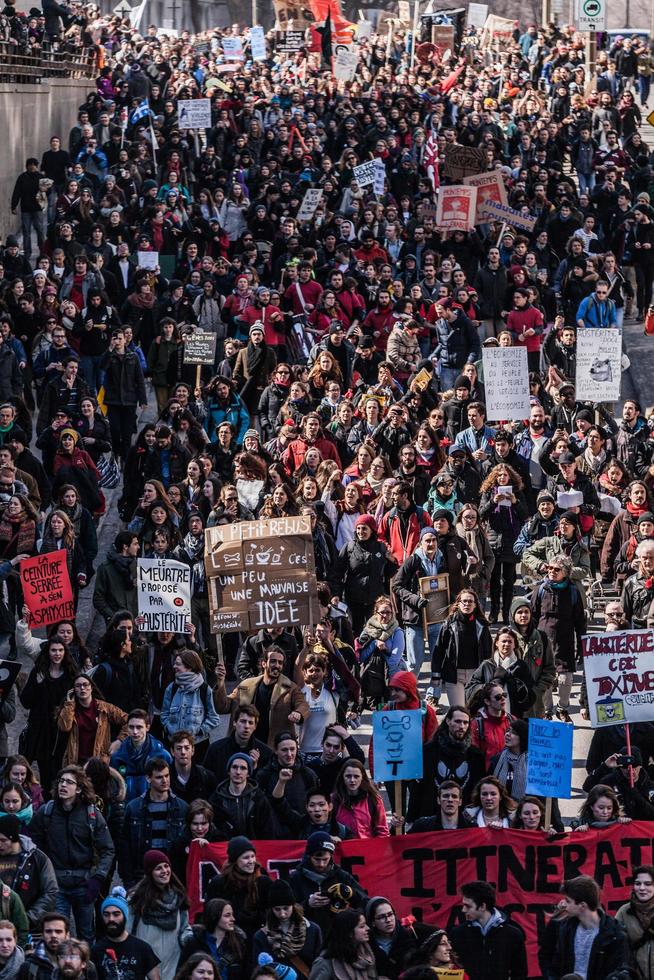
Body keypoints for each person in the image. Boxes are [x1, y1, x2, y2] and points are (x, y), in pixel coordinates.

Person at [28, 766, 115, 943]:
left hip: (84, 882)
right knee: (58, 934)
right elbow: (33, 847)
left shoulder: (91, 814)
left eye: (69, 782)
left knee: (86, 936)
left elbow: (108, 849)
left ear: (79, 788)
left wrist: (98, 878)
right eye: (61, 781)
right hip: (56, 883)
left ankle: (85, 969)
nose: (63, 785)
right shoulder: (46, 812)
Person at [213, 647, 310, 749]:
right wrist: (220, 682)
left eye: (280, 663)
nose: (277, 665)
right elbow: (222, 707)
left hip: (273, 749)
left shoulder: (291, 688)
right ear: (264, 663)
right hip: (245, 746)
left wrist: (298, 713)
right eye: (273, 661)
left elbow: (303, 705)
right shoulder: (246, 685)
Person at [118, 758, 188, 889]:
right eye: (159, 777)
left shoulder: (182, 808)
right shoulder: (134, 808)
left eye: (167, 776)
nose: (165, 781)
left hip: (173, 875)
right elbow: (124, 847)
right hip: (142, 875)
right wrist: (128, 881)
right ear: (148, 779)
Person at [542, 876, 628, 980]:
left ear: (582, 905)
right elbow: (549, 961)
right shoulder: (563, 928)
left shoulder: (614, 934)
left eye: (568, 901)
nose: (564, 904)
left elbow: (619, 972)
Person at [408, 707, 485, 818]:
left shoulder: (476, 756)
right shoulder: (428, 752)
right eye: (457, 721)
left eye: (465, 722)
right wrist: (411, 817)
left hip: (465, 819)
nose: (462, 726)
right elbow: (417, 789)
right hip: (431, 817)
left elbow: (479, 790)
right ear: (448, 721)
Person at [289, 832, 367, 939]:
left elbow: (365, 903)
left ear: (331, 856)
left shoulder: (342, 876)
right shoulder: (296, 878)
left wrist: (350, 893)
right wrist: (307, 904)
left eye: (325, 859)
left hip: (338, 938)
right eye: (317, 859)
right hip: (307, 937)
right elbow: (285, 912)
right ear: (309, 856)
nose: (321, 864)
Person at [126, 851, 188, 980]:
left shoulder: (179, 897)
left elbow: (185, 927)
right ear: (150, 872)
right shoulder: (137, 899)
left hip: (172, 963)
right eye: (158, 868)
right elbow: (127, 930)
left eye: (166, 866)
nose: (164, 871)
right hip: (144, 964)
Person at [448, 881, 528, 980]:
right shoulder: (457, 934)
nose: (463, 910)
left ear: (482, 906)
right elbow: (449, 968)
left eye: (468, 906)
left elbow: (520, 973)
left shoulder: (513, 934)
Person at [431, 590, 492, 709]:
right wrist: (436, 675)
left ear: (475, 605)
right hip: (454, 676)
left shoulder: (482, 626)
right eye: (464, 601)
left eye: (470, 601)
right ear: (458, 603)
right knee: (459, 712)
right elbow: (439, 651)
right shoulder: (448, 624)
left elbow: (488, 653)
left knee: (473, 711)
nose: (467, 604)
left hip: (475, 675)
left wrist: (488, 675)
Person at [0, 814, 58, 936]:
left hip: (30, 930)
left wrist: (27, 919)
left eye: (3, 840)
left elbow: (51, 891)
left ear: (14, 838)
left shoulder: (37, 858)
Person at [204, 837, 271, 939]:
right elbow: (211, 913)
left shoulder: (263, 881)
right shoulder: (220, 883)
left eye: (253, 856)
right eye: (246, 857)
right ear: (235, 860)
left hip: (259, 936)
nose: (251, 861)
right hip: (230, 938)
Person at [252, 880, 322, 975]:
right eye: (277, 909)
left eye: (286, 908)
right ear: (271, 909)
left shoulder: (312, 930)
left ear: (293, 906)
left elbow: (319, 965)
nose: (282, 914)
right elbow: (259, 972)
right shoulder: (261, 936)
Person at [56, 675, 128, 767]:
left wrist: (120, 740)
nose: (82, 688)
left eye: (85, 685)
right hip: (75, 761)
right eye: (78, 686)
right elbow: (64, 727)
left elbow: (128, 720)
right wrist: (69, 703)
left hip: (98, 761)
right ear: (73, 690)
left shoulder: (105, 708)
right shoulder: (70, 708)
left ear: (91, 687)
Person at [91, 889, 161, 980]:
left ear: (125, 916)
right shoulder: (96, 951)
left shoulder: (143, 948)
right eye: (106, 914)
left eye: (116, 914)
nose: (111, 919)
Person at [208, 752, 274, 840]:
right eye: (234, 767)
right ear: (229, 770)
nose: (238, 772)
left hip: (253, 850)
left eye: (243, 768)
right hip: (225, 850)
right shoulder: (216, 799)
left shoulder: (258, 798)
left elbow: (268, 830)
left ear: (248, 773)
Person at [110, 710, 172, 803]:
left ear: (147, 727)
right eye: (131, 727)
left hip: (155, 805)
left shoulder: (162, 755)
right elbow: (114, 789)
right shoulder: (117, 757)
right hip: (126, 807)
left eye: (139, 727)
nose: (135, 732)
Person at [203, 704, 273, 785]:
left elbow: (265, 786)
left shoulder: (265, 753)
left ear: (255, 727)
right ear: (234, 723)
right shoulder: (216, 749)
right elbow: (205, 779)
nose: (246, 726)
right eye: (243, 721)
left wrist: (254, 768)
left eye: (250, 723)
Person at [177, 898, 246, 980]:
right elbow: (181, 973)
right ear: (214, 916)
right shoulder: (194, 943)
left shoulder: (238, 945)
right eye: (227, 915)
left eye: (232, 915)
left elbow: (245, 974)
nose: (233, 919)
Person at [308, 909, 377, 980]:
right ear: (349, 932)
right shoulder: (324, 963)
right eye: (362, 926)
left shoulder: (367, 956)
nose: (367, 928)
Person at [615, 864, 654, 980]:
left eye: (648, 884)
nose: (642, 888)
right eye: (638, 883)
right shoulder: (624, 912)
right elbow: (614, 945)